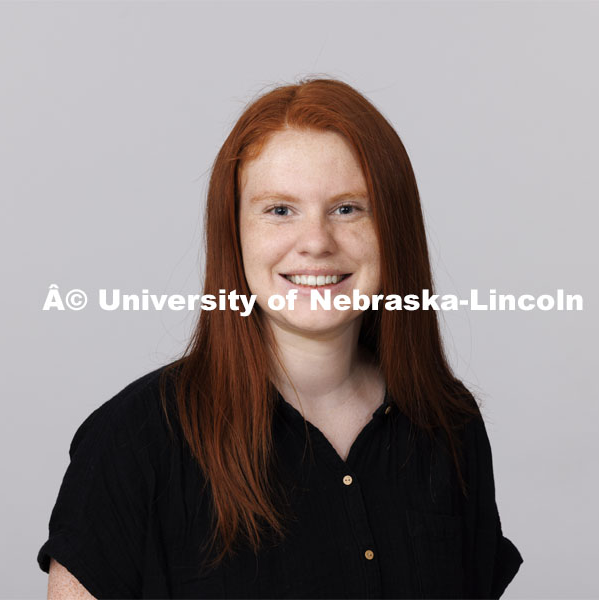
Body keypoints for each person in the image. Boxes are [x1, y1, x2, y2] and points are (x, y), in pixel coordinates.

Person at [37, 77, 523, 599]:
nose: (315, 242)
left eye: (347, 208)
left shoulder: (449, 424)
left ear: (394, 229)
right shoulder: (133, 440)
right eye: (279, 210)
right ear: (235, 232)